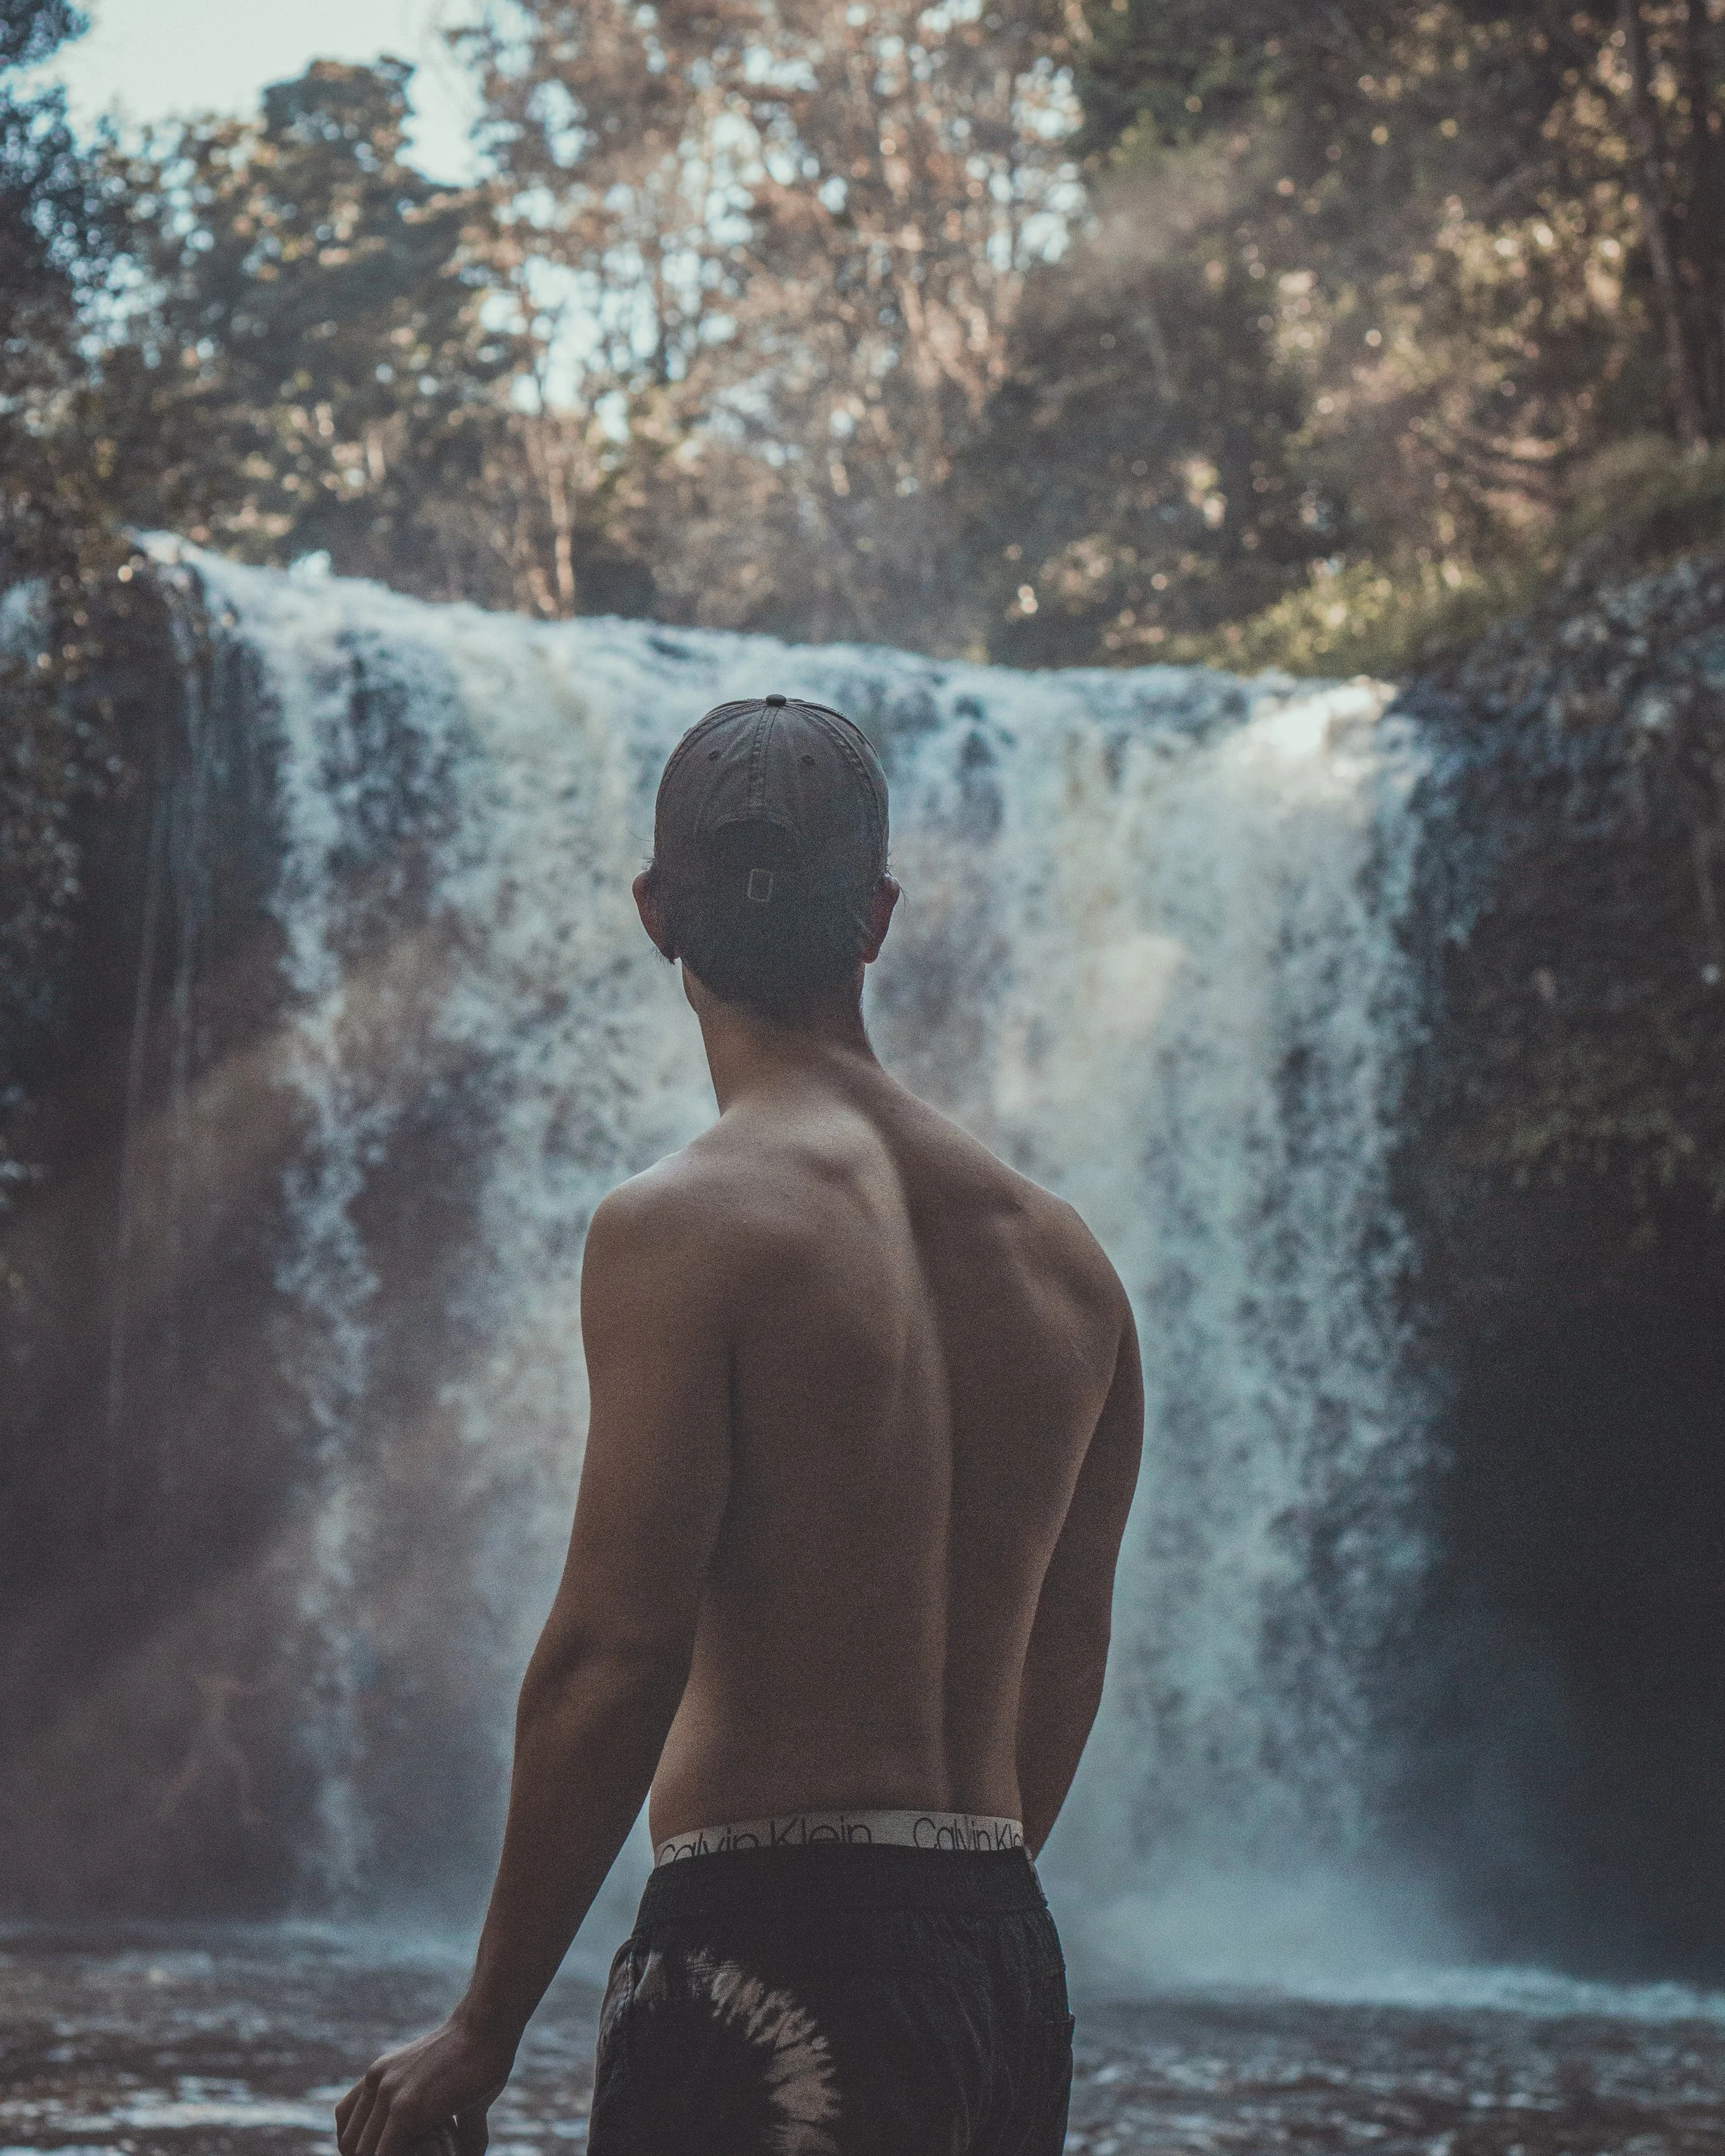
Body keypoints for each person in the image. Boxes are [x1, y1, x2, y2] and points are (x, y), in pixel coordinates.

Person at [335, 694, 1143, 2156]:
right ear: (876, 917)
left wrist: (484, 2023)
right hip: (996, 1957)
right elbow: (1066, 1644)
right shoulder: (1066, 1263)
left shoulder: (683, 1225)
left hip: (766, 1938)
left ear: (656, 911)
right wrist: (952, 1905)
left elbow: (613, 1649)